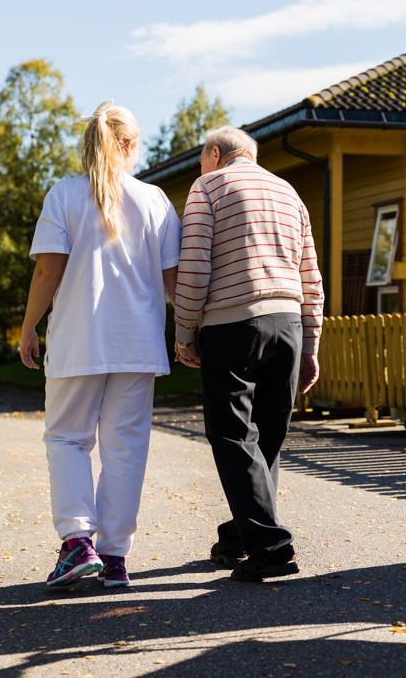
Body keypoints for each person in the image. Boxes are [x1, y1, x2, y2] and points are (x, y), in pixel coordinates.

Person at [19, 101, 181, 590]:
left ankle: (76, 543)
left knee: (67, 439)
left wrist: (29, 327)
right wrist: (190, 333)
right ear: (130, 146)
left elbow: (48, 270)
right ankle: (113, 558)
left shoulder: (64, 195)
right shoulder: (155, 200)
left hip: (77, 342)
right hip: (138, 344)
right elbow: (175, 280)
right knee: (125, 450)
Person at [174, 127, 324, 582]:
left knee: (234, 434)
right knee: (267, 437)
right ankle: (241, 536)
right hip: (288, 322)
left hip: (232, 324)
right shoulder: (288, 192)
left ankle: (271, 549)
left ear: (215, 154)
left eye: (202, 159)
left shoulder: (210, 186)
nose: (201, 168)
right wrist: (311, 345)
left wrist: (184, 332)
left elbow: (195, 264)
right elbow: (310, 274)